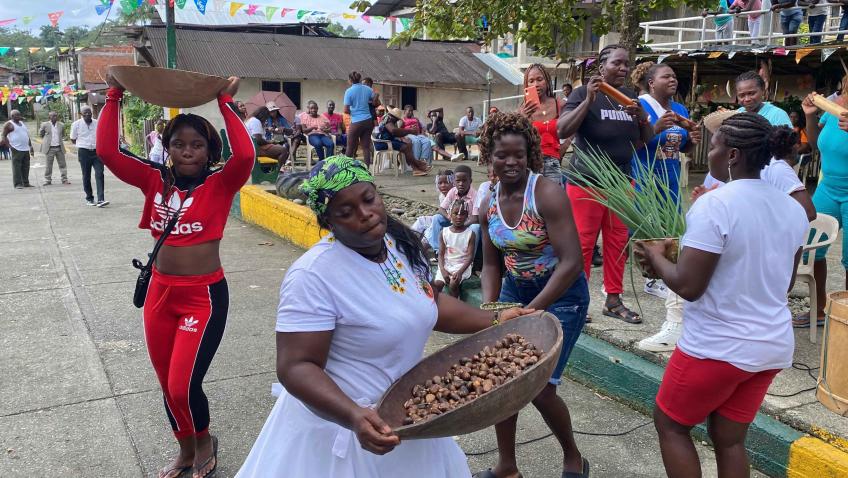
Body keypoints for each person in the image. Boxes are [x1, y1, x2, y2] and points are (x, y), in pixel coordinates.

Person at [235, 155, 533, 478]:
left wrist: (494, 319)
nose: (365, 214)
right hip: (346, 431)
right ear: (328, 221)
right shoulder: (313, 276)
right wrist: (353, 415)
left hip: (409, 416)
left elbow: (427, 305)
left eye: (368, 198)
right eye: (346, 212)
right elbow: (295, 366)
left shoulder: (395, 245)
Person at [634, 112, 808, 478]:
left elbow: (688, 287)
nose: (707, 152)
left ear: (732, 155)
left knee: (670, 425)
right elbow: (785, 284)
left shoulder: (715, 205)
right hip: (771, 347)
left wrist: (653, 255)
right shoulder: (793, 210)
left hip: (717, 347)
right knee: (729, 439)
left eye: (713, 146)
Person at [98, 73, 252, 478]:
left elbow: (246, 158)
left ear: (208, 150)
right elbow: (108, 153)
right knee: (167, 385)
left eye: (197, 144)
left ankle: (204, 441)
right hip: (160, 295)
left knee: (184, 384)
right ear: (166, 148)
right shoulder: (154, 180)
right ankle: (184, 450)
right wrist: (114, 95)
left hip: (202, 297)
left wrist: (224, 102)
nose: (187, 151)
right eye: (179, 143)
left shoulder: (220, 183)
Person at [477, 112, 589, 478]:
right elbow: (491, 265)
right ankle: (507, 468)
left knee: (541, 391)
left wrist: (533, 310)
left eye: (519, 155)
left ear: (530, 155)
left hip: (562, 295)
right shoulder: (488, 203)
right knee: (502, 383)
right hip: (515, 290)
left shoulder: (546, 193)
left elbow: (572, 261)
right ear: (488, 156)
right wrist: (493, 311)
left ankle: (573, 457)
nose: (510, 163)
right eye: (501, 155)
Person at [557, 44, 654, 324]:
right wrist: (589, 98)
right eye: (617, 63)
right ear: (602, 66)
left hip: (622, 182)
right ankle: (578, 301)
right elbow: (563, 129)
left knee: (617, 244)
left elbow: (644, 139)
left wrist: (641, 117)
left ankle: (613, 300)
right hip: (586, 182)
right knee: (584, 245)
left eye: (627, 64)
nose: (623, 68)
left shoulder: (630, 96)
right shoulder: (580, 94)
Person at [632, 64, 701, 352]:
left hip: (672, 180)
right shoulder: (640, 107)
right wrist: (653, 128)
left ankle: (661, 280)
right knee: (649, 236)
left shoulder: (681, 111)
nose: (672, 79)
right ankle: (651, 278)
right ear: (651, 83)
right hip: (646, 180)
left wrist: (692, 143)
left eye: (675, 75)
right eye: (666, 76)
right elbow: (630, 143)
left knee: (673, 236)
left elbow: (679, 147)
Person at [799, 88, 848, 328]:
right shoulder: (833, 104)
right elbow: (817, 144)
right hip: (828, 188)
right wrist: (809, 115)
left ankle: (845, 318)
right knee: (810, 249)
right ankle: (818, 310)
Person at [520, 63, 567, 185]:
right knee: (530, 202)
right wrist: (522, 118)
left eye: (539, 79)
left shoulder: (559, 105)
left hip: (553, 164)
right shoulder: (522, 110)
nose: (535, 84)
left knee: (553, 202)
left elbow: (572, 130)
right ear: (526, 85)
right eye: (531, 81)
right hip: (530, 164)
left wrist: (561, 150)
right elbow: (516, 139)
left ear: (547, 81)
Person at [428, 164, 476, 252]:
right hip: (453, 221)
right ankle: (437, 250)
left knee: (476, 227)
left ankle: (471, 255)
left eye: (464, 181)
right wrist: (449, 217)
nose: (461, 184)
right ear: (454, 181)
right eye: (458, 181)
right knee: (436, 218)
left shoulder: (475, 195)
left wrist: (462, 224)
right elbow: (441, 209)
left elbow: (475, 217)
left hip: (467, 223)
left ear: (470, 181)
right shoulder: (452, 191)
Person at [435, 199, 476, 297]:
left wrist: (460, 272)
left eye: (462, 214)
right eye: (455, 213)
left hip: (462, 266)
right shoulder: (444, 233)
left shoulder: (470, 234)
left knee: (453, 284)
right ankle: (437, 307)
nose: (458, 217)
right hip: (446, 264)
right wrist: (442, 269)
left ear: (467, 216)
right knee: (437, 284)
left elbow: (470, 257)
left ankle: (455, 304)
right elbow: (440, 254)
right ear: (450, 214)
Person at [375, 107, 431, 176]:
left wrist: (402, 137)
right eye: (397, 119)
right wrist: (409, 131)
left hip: (388, 141)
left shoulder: (389, 119)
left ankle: (417, 168)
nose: (397, 120)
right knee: (405, 147)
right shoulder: (388, 119)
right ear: (394, 117)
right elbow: (393, 131)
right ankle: (419, 165)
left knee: (408, 144)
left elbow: (396, 132)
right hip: (382, 143)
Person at [70, 106, 108, 207]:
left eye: (89, 113)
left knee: (100, 174)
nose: (87, 114)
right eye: (85, 113)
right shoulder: (76, 124)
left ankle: (101, 199)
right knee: (86, 176)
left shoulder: (97, 123)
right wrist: (83, 144)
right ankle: (89, 198)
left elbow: (102, 135)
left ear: (92, 113)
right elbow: (73, 139)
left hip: (97, 152)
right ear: (81, 114)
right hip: (84, 152)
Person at [344, 71, 374, 166]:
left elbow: (346, 109)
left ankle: (345, 169)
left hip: (356, 121)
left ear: (350, 80)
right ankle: (366, 170)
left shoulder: (349, 91)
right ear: (360, 79)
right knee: (366, 147)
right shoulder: (368, 89)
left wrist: (354, 113)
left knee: (350, 147)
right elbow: (375, 102)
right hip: (368, 120)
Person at [2, 109, 34, 189]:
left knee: (26, 167)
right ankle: (17, 184)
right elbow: (3, 136)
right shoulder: (9, 124)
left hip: (25, 148)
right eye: (17, 115)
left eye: (19, 114)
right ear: (12, 116)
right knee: (17, 167)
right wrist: (9, 146)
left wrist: (31, 146)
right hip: (16, 148)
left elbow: (27, 135)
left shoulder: (22, 123)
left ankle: (25, 182)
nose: (19, 116)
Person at [39, 111, 69, 186]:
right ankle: (47, 180)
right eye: (53, 116)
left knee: (62, 164)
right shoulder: (45, 125)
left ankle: (64, 179)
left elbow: (63, 134)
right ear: (49, 117)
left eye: (56, 116)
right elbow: (41, 134)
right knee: (48, 165)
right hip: (49, 148)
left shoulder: (61, 125)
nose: (55, 117)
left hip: (59, 147)